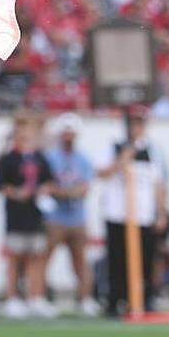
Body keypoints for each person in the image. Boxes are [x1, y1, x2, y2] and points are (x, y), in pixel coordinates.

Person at [97, 110, 167, 317]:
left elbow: (159, 184)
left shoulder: (153, 150)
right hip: (118, 214)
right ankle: (116, 299)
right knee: (117, 260)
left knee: (146, 259)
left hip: (143, 215)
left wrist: (161, 213)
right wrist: (122, 159)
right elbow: (101, 173)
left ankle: (145, 298)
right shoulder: (114, 147)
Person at [0, 117, 55, 319]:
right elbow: (2, 186)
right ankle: (12, 298)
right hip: (16, 215)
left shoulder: (39, 157)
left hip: (36, 215)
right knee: (14, 258)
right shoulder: (8, 159)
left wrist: (43, 190)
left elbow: (49, 181)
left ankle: (35, 297)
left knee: (36, 257)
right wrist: (18, 193)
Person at [44, 113, 98, 316]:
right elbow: (49, 186)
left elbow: (85, 187)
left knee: (81, 261)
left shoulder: (83, 158)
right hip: (55, 218)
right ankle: (41, 297)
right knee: (45, 258)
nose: (68, 137)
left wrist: (65, 192)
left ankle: (85, 298)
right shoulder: (51, 157)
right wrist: (68, 192)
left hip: (77, 218)